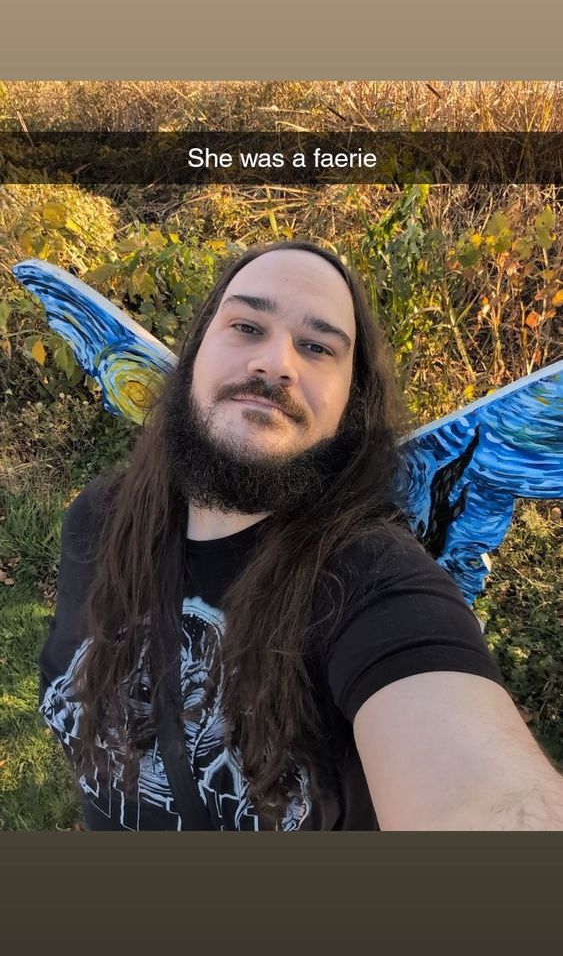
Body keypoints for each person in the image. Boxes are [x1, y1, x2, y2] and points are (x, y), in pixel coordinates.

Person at [39, 241, 563, 831]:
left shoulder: (372, 580)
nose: (276, 363)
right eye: (246, 326)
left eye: (317, 347)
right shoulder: (99, 518)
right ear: (196, 352)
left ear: (350, 404)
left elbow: (485, 797)